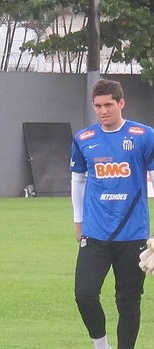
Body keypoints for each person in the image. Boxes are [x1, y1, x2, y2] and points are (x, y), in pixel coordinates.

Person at [70, 79, 154, 349]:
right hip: (95, 231)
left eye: (108, 105)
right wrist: (78, 220)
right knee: (84, 294)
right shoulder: (84, 139)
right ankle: (101, 345)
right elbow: (78, 180)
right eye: (97, 106)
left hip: (133, 233)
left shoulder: (144, 136)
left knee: (128, 300)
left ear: (121, 103)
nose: (103, 110)